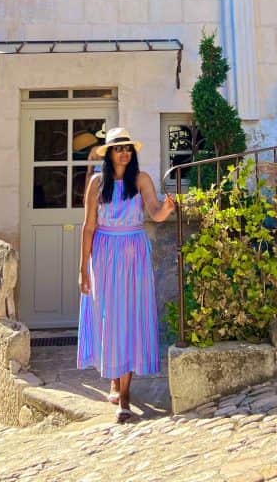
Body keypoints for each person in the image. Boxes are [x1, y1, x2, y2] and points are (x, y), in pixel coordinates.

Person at [77, 126, 175, 422]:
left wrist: (167, 209)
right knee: (110, 317)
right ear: (109, 154)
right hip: (105, 254)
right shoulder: (97, 183)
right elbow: (88, 227)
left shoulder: (141, 179)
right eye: (119, 148)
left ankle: (125, 396)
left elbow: (154, 212)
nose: (124, 153)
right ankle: (114, 380)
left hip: (134, 252)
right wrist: (83, 268)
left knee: (130, 317)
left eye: (128, 148)